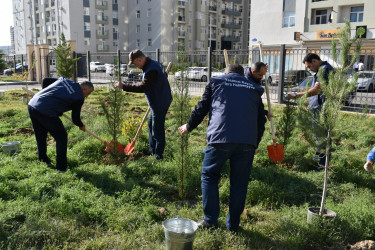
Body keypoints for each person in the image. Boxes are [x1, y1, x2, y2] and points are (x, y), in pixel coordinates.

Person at [178, 64, 267, 232]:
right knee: (239, 183)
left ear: (226, 72)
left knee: (210, 175)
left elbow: (202, 107)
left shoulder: (216, 81)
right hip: (247, 142)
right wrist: (256, 142)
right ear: (244, 74)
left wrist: (188, 126)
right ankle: (233, 226)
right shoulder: (254, 88)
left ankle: (210, 220)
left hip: (220, 138)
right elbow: (260, 120)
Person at [114, 49, 172, 159]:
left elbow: (143, 87)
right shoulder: (154, 64)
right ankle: (152, 150)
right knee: (151, 125)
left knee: (157, 130)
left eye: (135, 63)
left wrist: (124, 86)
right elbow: (162, 76)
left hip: (160, 102)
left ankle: (158, 156)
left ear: (140, 59)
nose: (135, 66)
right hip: (158, 101)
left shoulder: (151, 69)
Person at [28, 77, 94, 172]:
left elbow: (45, 80)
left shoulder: (64, 80)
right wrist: (81, 125)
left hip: (33, 104)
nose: (87, 96)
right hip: (46, 111)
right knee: (61, 137)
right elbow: (75, 118)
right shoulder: (79, 97)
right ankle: (61, 168)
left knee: (40, 134)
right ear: (84, 88)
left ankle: (43, 159)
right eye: (88, 93)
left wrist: (48, 97)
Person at [286, 53, 334, 168]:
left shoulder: (324, 70)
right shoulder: (320, 70)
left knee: (322, 136)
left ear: (314, 61)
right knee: (318, 134)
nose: (309, 69)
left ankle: (323, 165)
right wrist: (311, 103)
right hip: (317, 107)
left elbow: (317, 90)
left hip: (322, 109)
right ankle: (319, 155)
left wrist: (296, 95)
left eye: (309, 67)